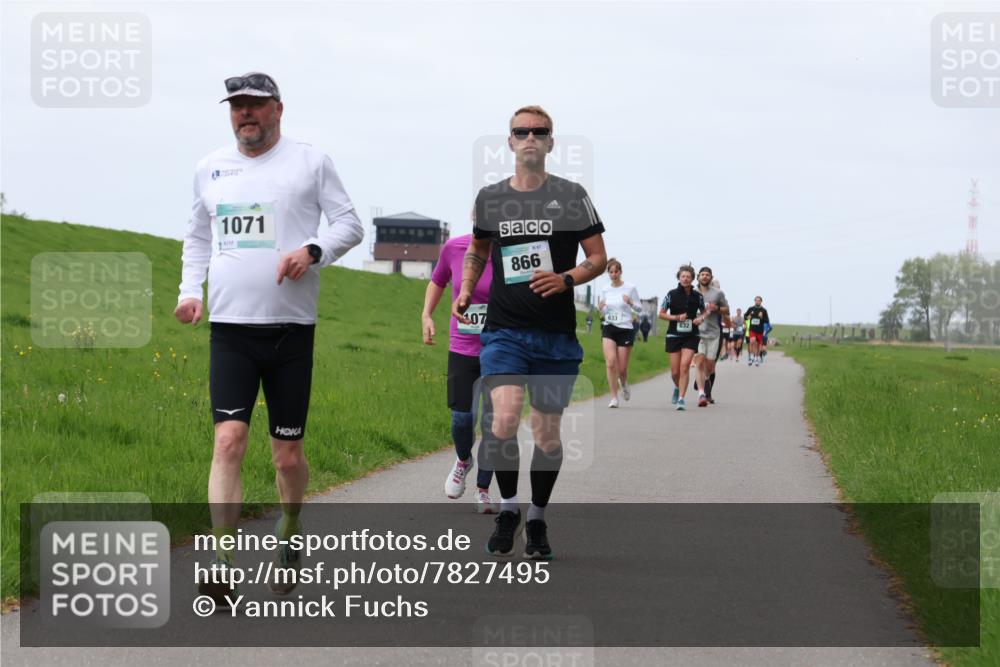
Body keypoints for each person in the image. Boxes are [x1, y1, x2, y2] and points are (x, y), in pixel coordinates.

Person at [175, 72, 364, 601]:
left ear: (278, 108)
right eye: (237, 106)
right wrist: (190, 291)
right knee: (228, 440)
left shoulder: (310, 162)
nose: (245, 114)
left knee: (287, 456)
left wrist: (313, 251)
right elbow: (197, 235)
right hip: (230, 329)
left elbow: (350, 225)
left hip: (290, 332)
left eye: (255, 105)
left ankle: (290, 528)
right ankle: (222, 562)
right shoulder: (210, 168)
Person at [452, 105, 607, 560]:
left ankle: (536, 518)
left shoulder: (572, 196)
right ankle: (508, 510)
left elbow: (598, 257)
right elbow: (478, 249)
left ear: (551, 142)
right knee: (502, 421)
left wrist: (566, 279)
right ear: (511, 142)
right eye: (522, 132)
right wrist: (466, 288)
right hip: (505, 332)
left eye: (540, 131)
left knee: (547, 436)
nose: (531, 137)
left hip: (555, 337)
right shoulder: (491, 198)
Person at [422, 234, 497, 513]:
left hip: (502, 349)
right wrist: (426, 315)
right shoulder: (454, 247)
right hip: (463, 347)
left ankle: (483, 490)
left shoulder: (511, 251)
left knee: (494, 425)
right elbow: (438, 280)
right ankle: (464, 459)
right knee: (461, 419)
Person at [658, 265, 707, 411]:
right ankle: (677, 387)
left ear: (692, 279)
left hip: (691, 335)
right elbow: (661, 314)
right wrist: (676, 317)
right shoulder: (671, 294)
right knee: (675, 372)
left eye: (688, 277)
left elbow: (704, 312)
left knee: (684, 366)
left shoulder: (698, 296)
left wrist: (701, 318)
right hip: (674, 335)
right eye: (683, 276)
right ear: (679, 278)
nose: (685, 279)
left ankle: (681, 399)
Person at [598, 258, 641, 408]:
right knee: (610, 364)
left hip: (625, 329)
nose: (614, 274)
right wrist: (601, 308)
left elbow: (639, 308)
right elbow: (604, 309)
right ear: (608, 273)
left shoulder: (630, 288)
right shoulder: (605, 289)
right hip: (609, 327)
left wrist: (630, 302)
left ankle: (623, 383)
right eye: (611, 272)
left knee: (622, 370)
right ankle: (614, 397)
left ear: (620, 272)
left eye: (616, 271)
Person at [693, 270, 728, 406]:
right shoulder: (693, 292)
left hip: (713, 333)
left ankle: (704, 378)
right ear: (698, 277)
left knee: (710, 365)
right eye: (702, 274)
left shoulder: (718, 294)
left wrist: (716, 308)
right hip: (697, 333)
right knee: (699, 361)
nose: (705, 276)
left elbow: (726, 310)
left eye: (707, 275)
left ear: (711, 277)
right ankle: (702, 394)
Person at [745, 296, 770, 366]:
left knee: (758, 345)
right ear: (754, 301)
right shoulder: (751, 309)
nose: (757, 301)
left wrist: (762, 317)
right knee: (752, 341)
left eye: (759, 300)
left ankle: (756, 358)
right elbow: (745, 316)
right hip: (752, 329)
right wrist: (747, 317)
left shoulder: (764, 310)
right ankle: (751, 357)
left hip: (760, 330)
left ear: (761, 302)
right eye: (756, 300)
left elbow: (767, 321)